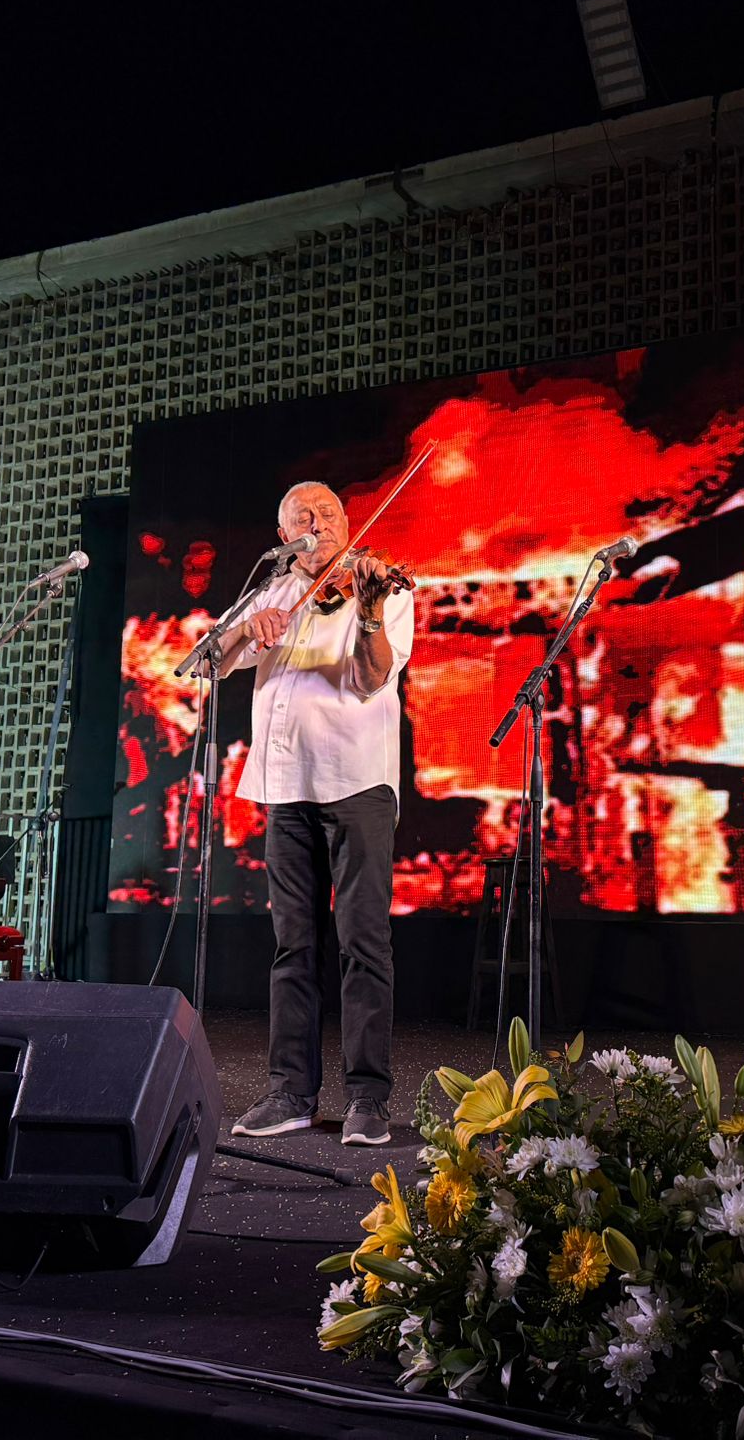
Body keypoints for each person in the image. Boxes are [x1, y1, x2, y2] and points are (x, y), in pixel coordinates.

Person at [224, 481, 413, 1147]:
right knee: (293, 945)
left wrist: (368, 612)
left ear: (347, 521)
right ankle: (290, 1093)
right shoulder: (271, 590)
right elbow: (210, 664)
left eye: (329, 512)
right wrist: (246, 629)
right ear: (285, 536)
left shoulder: (382, 587)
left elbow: (370, 678)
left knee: (363, 943)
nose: (319, 522)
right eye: (303, 516)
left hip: (357, 784)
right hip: (285, 787)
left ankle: (367, 1098)